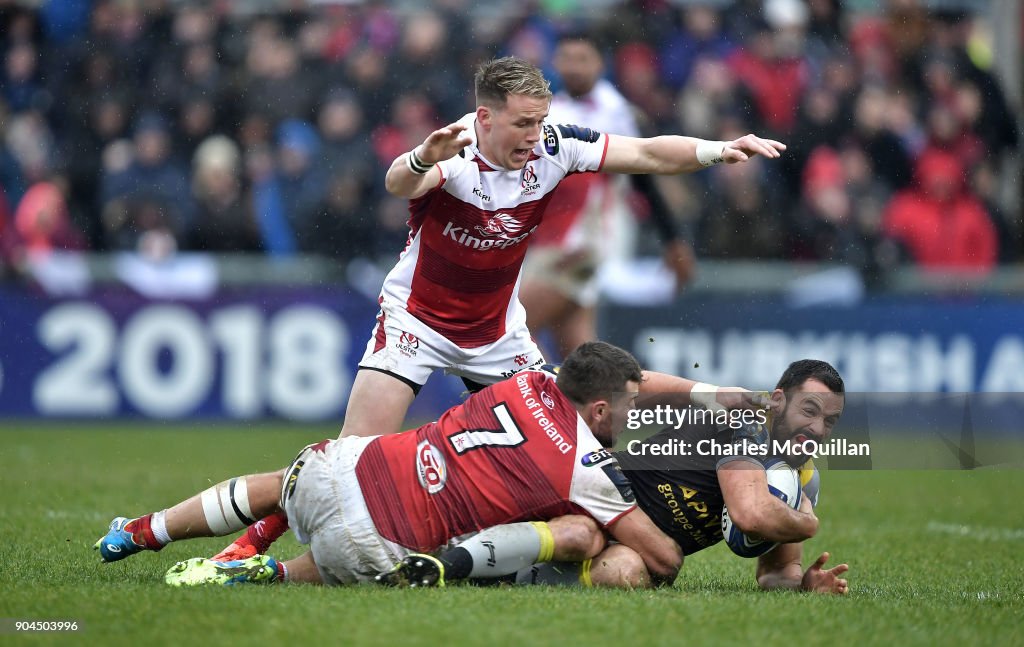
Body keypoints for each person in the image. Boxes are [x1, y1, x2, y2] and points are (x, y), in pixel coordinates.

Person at [212, 54, 785, 563]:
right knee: (350, 462)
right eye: (522, 123)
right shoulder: (455, 152)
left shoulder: (556, 146)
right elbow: (397, 184)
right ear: (484, 118)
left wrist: (716, 150)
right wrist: (418, 158)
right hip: (417, 322)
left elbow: (644, 154)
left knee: (554, 443)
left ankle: (509, 556)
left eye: (540, 121)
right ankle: (251, 542)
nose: (535, 137)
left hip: (497, 334)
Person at [94, 342, 684, 587]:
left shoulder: (528, 377)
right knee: (354, 555)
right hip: (380, 543)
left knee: (279, 484)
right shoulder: (588, 468)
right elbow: (660, 557)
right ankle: (262, 574)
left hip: (340, 470)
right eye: (631, 405)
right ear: (602, 407)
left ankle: (145, 531)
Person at [385, 359, 849, 594]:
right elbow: (751, 516)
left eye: (829, 421)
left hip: (634, 549)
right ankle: (445, 552)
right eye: (809, 410)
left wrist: (800, 584)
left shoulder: (802, 481)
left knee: (626, 573)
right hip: (598, 495)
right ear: (779, 398)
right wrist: (808, 523)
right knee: (580, 533)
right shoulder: (740, 423)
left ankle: (489, 575)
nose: (817, 428)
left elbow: (775, 570)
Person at [519, 33, 696, 359]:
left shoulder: (617, 114)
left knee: (511, 330)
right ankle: (608, 405)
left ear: (600, 65)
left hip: (580, 245)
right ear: (555, 62)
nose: (573, 67)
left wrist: (674, 240)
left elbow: (645, 179)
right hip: (553, 240)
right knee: (579, 355)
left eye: (582, 59)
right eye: (567, 58)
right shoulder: (553, 110)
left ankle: (531, 403)